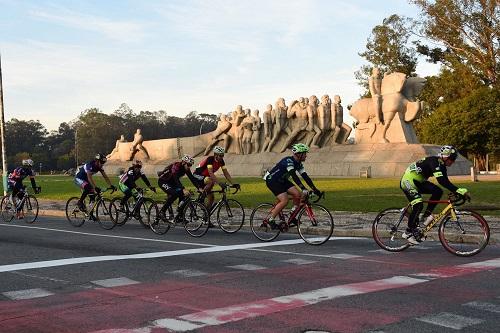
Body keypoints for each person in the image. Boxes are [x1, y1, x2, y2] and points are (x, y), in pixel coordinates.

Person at [400, 145, 469, 245]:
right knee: (418, 204)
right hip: (408, 181)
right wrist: (458, 190)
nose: (453, 161)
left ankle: (425, 216)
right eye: (452, 158)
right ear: (445, 157)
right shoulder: (434, 162)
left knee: (438, 191)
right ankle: (408, 232)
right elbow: (441, 181)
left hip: (419, 181)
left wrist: (457, 192)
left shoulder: (442, 165)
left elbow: (446, 181)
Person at [263, 143, 322, 229]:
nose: (306, 156)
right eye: (305, 153)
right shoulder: (288, 161)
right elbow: (293, 176)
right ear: (299, 154)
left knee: (297, 194)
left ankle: (292, 215)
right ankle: (271, 219)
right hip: (273, 180)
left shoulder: (299, 163)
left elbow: (306, 177)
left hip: (283, 180)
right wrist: (303, 188)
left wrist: (315, 189)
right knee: (285, 200)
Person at [193, 146, 239, 212]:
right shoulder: (210, 159)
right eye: (220, 155)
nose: (222, 157)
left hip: (206, 178)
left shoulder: (221, 161)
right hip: (197, 175)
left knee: (211, 198)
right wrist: (220, 183)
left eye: (223, 155)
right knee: (211, 181)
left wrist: (234, 183)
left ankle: (206, 215)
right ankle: (201, 199)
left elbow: (226, 173)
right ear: (215, 155)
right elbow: (211, 173)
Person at [157, 154, 202, 220]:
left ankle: (179, 215)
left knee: (182, 195)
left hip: (172, 183)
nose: (189, 167)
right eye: (189, 165)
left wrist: (199, 188)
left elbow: (192, 179)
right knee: (174, 194)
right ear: (184, 162)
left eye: (191, 165)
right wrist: (183, 189)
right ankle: (162, 212)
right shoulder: (176, 166)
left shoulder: (186, 168)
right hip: (163, 181)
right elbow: (176, 179)